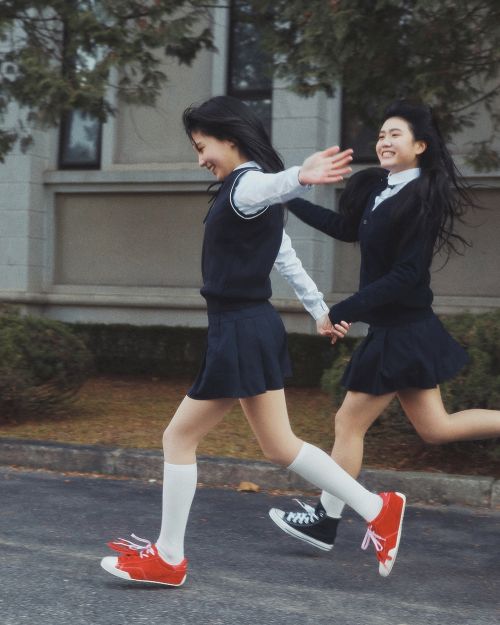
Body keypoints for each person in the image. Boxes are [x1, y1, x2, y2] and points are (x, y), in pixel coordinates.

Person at [99, 95, 407, 586]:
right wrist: (320, 310)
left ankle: (169, 558)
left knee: (178, 438)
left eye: (202, 146)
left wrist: (300, 177)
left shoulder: (248, 186)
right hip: (251, 327)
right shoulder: (251, 197)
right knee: (281, 447)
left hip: (240, 329)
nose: (201, 158)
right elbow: (286, 258)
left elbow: (269, 184)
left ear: (230, 139)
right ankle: (377, 508)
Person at [268, 100, 500, 553]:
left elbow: (407, 275)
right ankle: (325, 521)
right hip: (400, 328)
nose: (384, 141)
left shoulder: (422, 199)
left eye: (395, 134)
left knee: (348, 422)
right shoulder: (380, 188)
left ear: (420, 145)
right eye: (380, 135)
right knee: (436, 428)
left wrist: (344, 309)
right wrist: (285, 196)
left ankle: (325, 521)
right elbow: (344, 228)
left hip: (402, 331)